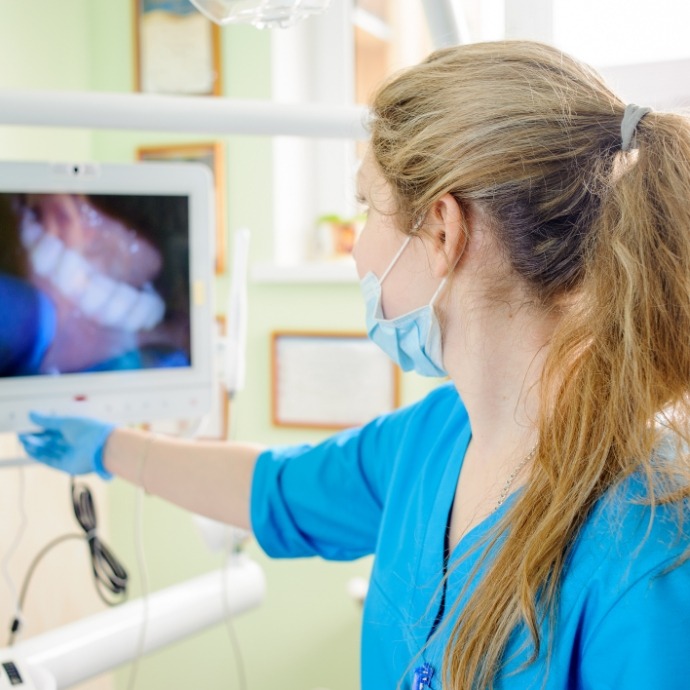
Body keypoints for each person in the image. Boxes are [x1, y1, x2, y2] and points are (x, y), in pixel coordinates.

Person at [19, 40, 690, 689]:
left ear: (442, 232)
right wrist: (108, 447)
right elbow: (276, 491)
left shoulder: (651, 556)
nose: (357, 250)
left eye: (367, 206)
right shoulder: (436, 438)